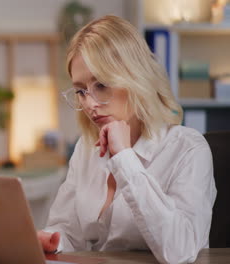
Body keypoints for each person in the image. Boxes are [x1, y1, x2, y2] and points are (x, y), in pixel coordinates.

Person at [37, 15, 217, 264]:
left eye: (101, 85)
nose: (89, 104)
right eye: (80, 91)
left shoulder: (188, 149)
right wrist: (49, 240)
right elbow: (68, 232)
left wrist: (124, 158)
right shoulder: (86, 148)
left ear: (135, 79)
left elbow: (181, 250)